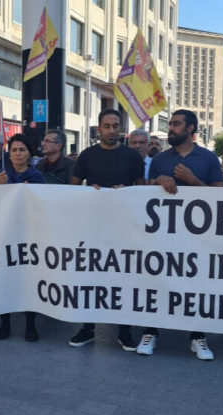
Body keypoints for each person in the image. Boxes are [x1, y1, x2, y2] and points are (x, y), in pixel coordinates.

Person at [145, 109, 223, 360]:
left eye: (177, 124)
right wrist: (157, 180)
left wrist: (192, 180)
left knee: (196, 283)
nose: (171, 128)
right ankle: (150, 330)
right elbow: (145, 191)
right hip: (163, 234)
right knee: (156, 280)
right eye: (171, 124)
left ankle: (197, 336)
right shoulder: (160, 159)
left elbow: (221, 197)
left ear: (191, 129)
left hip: (197, 237)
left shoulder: (209, 159)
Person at [69, 108, 145, 352]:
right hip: (93, 225)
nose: (111, 130)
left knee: (123, 276)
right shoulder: (86, 155)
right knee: (90, 275)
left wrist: (127, 192)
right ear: (98, 128)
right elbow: (73, 189)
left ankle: (124, 330)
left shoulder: (133, 157)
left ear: (120, 128)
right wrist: (89, 190)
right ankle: (87, 327)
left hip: (124, 227)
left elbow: (143, 192)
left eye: (115, 126)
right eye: (106, 126)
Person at [0, 133, 43, 342]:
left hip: (29, 233)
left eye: (22, 150)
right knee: (5, 279)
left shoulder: (36, 176)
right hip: (5, 232)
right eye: (14, 150)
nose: (18, 153)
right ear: (9, 153)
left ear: (29, 153)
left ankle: (30, 324)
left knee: (28, 279)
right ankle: (4, 323)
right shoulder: (0, 174)